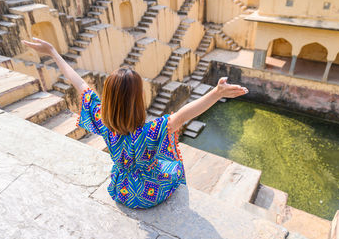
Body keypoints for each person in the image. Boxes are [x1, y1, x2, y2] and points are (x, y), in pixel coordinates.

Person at [22, 37, 249, 209]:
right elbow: (184, 113)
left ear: (108, 97)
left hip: (122, 190)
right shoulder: (151, 131)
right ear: (139, 100)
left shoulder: (103, 121)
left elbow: (80, 84)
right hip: (151, 193)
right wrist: (217, 93)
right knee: (175, 164)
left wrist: (52, 52)